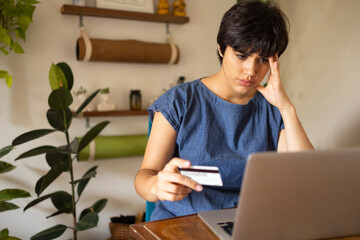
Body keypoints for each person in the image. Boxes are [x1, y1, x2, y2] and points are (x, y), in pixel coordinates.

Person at [134, 0, 314, 221]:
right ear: (221, 48)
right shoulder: (179, 101)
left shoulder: (274, 110)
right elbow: (144, 177)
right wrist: (156, 186)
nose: (251, 70)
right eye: (241, 56)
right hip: (184, 223)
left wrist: (287, 108)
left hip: (249, 225)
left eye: (263, 59)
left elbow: (306, 180)